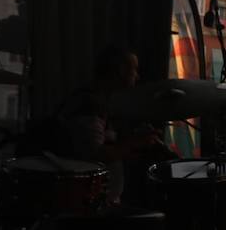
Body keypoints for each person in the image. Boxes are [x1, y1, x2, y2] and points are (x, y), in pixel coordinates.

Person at [59, 45, 171, 205]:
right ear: (120, 70)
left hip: (100, 201)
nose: (137, 76)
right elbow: (94, 154)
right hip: (89, 203)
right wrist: (136, 142)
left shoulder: (100, 102)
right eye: (134, 70)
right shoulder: (89, 104)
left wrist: (134, 142)